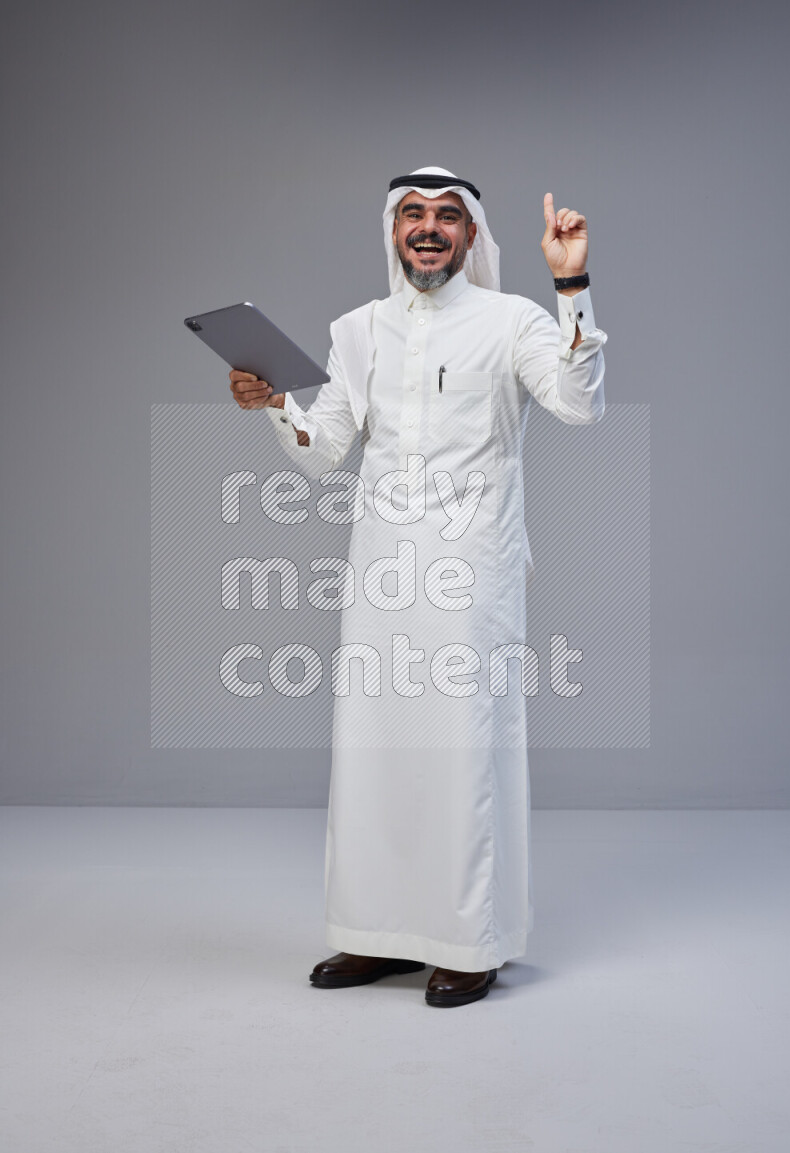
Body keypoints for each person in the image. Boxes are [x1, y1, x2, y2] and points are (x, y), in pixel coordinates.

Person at [229, 167, 607, 1007]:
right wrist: (271, 400)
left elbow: (581, 405)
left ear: (471, 234)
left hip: (473, 565)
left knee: (464, 749)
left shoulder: (514, 320)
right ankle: (375, 935)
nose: (429, 229)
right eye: (413, 215)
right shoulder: (358, 329)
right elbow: (324, 449)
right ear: (393, 231)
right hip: (381, 568)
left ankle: (470, 942)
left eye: (446, 216)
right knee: (373, 748)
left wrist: (570, 282)